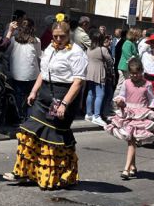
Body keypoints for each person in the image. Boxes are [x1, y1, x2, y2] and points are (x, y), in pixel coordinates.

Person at [7, 20, 86, 190]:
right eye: (55, 36)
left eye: (62, 36)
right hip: (44, 96)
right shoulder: (50, 48)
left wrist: (64, 103)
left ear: (68, 35)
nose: (58, 39)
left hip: (63, 96)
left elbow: (78, 81)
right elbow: (43, 73)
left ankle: (54, 176)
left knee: (52, 139)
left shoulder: (76, 52)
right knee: (29, 131)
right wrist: (34, 91)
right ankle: (24, 172)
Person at [106, 57, 154, 180]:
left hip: (141, 115)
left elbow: (151, 99)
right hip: (128, 114)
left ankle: (126, 169)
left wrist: (153, 112)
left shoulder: (147, 84)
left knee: (132, 141)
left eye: (137, 73)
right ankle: (133, 166)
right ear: (129, 73)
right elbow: (122, 95)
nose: (135, 76)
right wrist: (120, 101)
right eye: (132, 73)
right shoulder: (126, 83)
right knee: (131, 140)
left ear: (141, 72)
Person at [6, 17, 42, 124]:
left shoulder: (13, 39)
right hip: (31, 74)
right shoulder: (36, 41)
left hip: (16, 73)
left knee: (18, 96)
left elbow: (7, 53)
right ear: (32, 28)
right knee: (31, 96)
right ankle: (29, 117)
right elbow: (39, 55)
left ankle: (19, 116)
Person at [84, 34, 114, 126]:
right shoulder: (103, 49)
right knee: (100, 94)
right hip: (99, 73)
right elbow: (110, 61)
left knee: (90, 93)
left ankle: (89, 113)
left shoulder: (89, 49)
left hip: (89, 73)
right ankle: (96, 116)